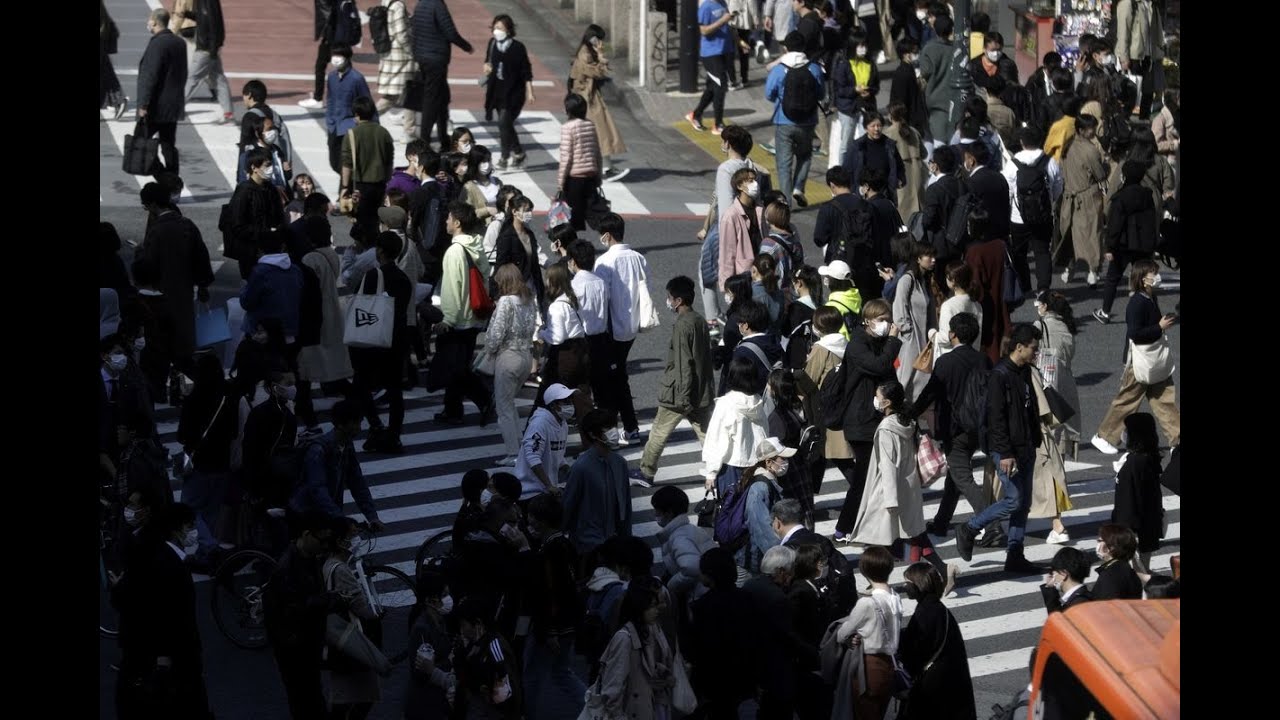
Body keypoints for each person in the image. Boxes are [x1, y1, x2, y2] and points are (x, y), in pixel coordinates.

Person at [954, 323, 1045, 574]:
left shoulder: (1024, 371)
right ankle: (970, 528)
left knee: (1023, 503)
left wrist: (1034, 438)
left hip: (1025, 446)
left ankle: (1015, 554)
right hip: (1007, 450)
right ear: (1019, 347)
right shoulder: (1000, 376)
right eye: (1033, 349)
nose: (1036, 353)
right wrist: (1005, 453)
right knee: (1014, 500)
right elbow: (996, 418)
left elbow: (1028, 408)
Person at [852, 380, 955, 588]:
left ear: (887, 402)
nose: (876, 400)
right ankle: (943, 569)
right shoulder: (906, 421)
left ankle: (877, 582)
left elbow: (888, 466)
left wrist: (890, 499)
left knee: (879, 536)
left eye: (878, 397)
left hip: (888, 490)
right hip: (908, 485)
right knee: (912, 534)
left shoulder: (886, 429)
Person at [112, 503, 210, 719]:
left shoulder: (153, 553)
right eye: (190, 526)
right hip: (174, 657)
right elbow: (170, 615)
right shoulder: (168, 563)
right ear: (178, 527)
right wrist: (164, 656)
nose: (193, 532)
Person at [1091, 258, 1180, 454]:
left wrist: (1163, 324)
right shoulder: (1136, 303)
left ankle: (1177, 440)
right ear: (1142, 278)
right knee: (1127, 400)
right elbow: (1135, 333)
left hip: (1154, 359)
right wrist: (1159, 327)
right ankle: (1104, 436)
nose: (1157, 277)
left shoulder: (1150, 298)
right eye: (1153, 273)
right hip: (1140, 360)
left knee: (1164, 400)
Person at [832, 299, 902, 544]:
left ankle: (867, 525)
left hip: (875, 418)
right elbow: (880, 366)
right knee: (863, 477)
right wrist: (893, 341)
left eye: (888, 319)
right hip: (860, 421)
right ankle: (844, 527)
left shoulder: (877, 342)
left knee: (877, 476)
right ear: (868, 320)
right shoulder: (858, 345)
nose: (887, 324)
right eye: (882, 320)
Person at [635, 276, 716, 484]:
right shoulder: (699, 320)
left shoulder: (682, 326)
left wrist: (682, 398)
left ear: (678, 300)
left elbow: (683, 365)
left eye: (670, 298)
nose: (668, 301)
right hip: (700, 391)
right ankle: (718, 468)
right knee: (707, 434)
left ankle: (646, 471)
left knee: (659, 432)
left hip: (679, 393)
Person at [263, 510, 336, 718]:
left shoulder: (308, 557)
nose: (325, 546)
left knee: (311, 695)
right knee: (303, 699)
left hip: (305, 644)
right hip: (295, 649)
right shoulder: (287, 569)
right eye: (322, 540)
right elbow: (296, 608)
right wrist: (329, 600)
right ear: (306, 534)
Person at [520, 494, 584, 720]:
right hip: (567, 623)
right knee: (561, 672)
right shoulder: (564, 544)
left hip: (551, 627)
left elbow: (549, 593)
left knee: (532, 675)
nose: (528, 520)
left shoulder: (549, 551)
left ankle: (527, 714)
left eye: (531, 516)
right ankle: (593, 709)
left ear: (542, 521)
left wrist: (550, 630)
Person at [350, 232, 413, 452]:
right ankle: (394, 433)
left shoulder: (373, 276)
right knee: (395, 390)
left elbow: (362, 304)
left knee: (361, 383)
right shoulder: (403, 278)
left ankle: (376, 425)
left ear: (380, 251)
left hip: (372, 339)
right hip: (395, 340)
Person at [432, 202, 494, 425]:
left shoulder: (454, 251)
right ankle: (453, 409)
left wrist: (447, 319)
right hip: (475, 316)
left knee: (456, 368)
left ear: (457, 223)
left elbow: (452, 288)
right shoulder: (476, 247)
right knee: (459, 364)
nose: (446, 221)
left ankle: (485, 399)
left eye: (448, 218)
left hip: (458, 319)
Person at [137, 183, 213, 364]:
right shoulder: (187, 225)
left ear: (153, 205)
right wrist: (203, 285)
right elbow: (201, 258)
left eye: (145, 206)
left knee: (162, 343)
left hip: (160, 295)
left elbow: (147, 268)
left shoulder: (156, 230)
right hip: (185, 293)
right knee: (184, 339)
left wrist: (139, 253)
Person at [594, 214, 652, 444]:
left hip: (610, 329)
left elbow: (601, 297)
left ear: (607, 235)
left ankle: (615, 430)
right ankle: (630, 428)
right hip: (632, 327)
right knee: (619, 378)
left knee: (609, 382)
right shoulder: (638, 258)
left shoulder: (604, 262)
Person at [176, 354, 238, 564]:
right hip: (222, 461)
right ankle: (206, 551)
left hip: (199, 462)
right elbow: (234, 431)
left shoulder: (194, 398)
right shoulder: (228, 396)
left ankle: (209, 546)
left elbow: (182, 434)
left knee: (190, 507)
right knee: (212, 510)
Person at [321, 517, 383, 718]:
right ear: (340, 541)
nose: (357, 539)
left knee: (344, 697)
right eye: (353, 535)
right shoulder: (341, 571)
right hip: (351, 642)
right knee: (362, 696)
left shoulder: (328, 564)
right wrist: (375, 614)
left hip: (337, 639)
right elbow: (361, 608)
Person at [898, 562, 976, 719]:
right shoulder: (937, 608)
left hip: (932, 690)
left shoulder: (926, 613)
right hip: (948, 687)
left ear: (919, 585)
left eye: (908, 582)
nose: (904, 586)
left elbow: (915, 650)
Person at [292, 400, 385, 532]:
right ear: (341, 424)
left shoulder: (346, 445)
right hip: (308, 514)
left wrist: (372, 517)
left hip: (328, 513)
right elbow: (318, 489)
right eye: (355, 423)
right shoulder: (318, 450)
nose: (359, 428)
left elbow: (357, 482)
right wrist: (339, 519)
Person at [834, 546, 901, 720]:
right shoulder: (895, 597)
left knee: (864, 713)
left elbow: (842, 634)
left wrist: (852, 636)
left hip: (869, 667)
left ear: (864, 571)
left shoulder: (866, 604)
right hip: (890, 665)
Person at [482, 264, 538, 465]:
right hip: (525, 356)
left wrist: (489, 350)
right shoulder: (528, 300)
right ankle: (521, 445)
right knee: (510, 403)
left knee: (504, 407)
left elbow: (496, 333)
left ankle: (514, 453)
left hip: (508, 356)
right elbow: (533, 327)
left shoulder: (506, 302)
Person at [599, 577, 676, 720]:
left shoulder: (644, 633)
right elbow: (613, 686)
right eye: (651, 606)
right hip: (630, 711)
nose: (657, 610)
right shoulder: (624, 638)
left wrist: (663, 672)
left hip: (644, 707)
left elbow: (643, 668)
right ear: (639, 608)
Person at [563, 408, 632, 565]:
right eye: (607, 429)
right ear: (593, 434)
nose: (614, 432)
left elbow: (626, 504)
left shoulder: (619, 463)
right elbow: (568, 505)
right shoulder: (581, 467)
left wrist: (627, 538)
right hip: (588, 546)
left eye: (614, 426)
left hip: (614, 542)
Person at [765, 31, 825, 207]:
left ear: (786, 48)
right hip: (808, 121)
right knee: (805, 155)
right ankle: (799, 187)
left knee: (784, 163)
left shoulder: (779, 69)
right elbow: (821, 94)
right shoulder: (813, 68)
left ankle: (786, 202)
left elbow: (769, 94)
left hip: (784, 121)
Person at [1095, 160, 1159, 324]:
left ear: (1124, 176)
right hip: (1143, 245)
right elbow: (1152, 221)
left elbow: (1114, 225)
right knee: (1145, 279)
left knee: (1112, 279)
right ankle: (1154, 313)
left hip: (1122, 245)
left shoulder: (1120, 197)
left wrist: (1109, 246)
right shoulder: (1147, 195)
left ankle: (1105, 311)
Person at [741, 544, 799, 717]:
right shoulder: (779, 598)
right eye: (791, 570)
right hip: (774, 666)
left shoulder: (749, 585)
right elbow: (786, 636)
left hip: (752, 659)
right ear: (781, 571)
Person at [1005, 126, 1063, 295]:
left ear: (1022, 142)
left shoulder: (1013, 162)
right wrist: (1049, 203)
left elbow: (1008, 190)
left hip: (1018, 217)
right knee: (1042, 251)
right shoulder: (1050, 161)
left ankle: (1024, 285)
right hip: (1043, 215)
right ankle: (1043, 288)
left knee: (1019, 253)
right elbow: (1058, 186)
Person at [702, 356, 771, 498]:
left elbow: (716, 440)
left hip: (732, 468)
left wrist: (711, 473)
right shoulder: (758, 402)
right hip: (758, 466)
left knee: (731, 512)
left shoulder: (726, 404)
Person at [411, 0, 475, 150]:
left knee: (442, 97)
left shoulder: (421, 4)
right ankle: (425, 140)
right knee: (432, 100)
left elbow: (415, 30)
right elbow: (450, 32)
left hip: (423, 57)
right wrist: (466, 46)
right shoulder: (437, 5)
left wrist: (417, 54)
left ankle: (443, 138)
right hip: (436, 59)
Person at [570, 25, 627, 179]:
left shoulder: (588, 51)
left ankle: (605, 167)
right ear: (593, 38)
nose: (600, 42)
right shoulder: (585, 53)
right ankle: (604, 169)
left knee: (599, 133)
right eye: (599, 39)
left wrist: (600, 57)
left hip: (590, 96)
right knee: (600, 132)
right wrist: (601, 59)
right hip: (586, 98)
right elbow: (595, 72)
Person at [1111, 413, 1165, 574]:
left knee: (1138, 574)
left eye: (1127, 430)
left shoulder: (1135, 463)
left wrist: (1126, 530)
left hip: (1134, 529)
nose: (1123, 433)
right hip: (1146, 527)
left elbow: (1129, 499)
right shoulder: (1149, 458)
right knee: (1142, 570)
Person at [452, 595, 523, 718]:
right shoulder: (475, 644)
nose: (461, 631)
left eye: (464, 625)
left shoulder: (494, 648)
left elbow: (505, 693)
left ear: (478, 623)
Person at [136, 9, 187, 177]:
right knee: (168, 144)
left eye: (150, 20)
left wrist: (143, 103)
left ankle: (165, 179)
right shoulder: (179, 43)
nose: (148, 23)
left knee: (139, 142)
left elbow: (150, 76)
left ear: (155, 22)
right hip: (173, 105)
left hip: (156, 106)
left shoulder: (157, 44)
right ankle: (173, 180)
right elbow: (183, 73)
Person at [1058, 114, 1107, 286]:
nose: (1093, 130)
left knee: (1070, 236)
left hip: (1069, 196)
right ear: (1081, 130)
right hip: (1088, 197)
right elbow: (1100, 174)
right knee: (1092, 235)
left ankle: (1069, 269)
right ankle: (1092, 271)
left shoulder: (1066, 146)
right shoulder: (1091, 150)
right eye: (1090, 128)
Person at [537, 263, 591, 418]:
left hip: (565, 355)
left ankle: (538, 431)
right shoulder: (572, 299)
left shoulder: (556, 307)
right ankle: (594, 436)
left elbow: (557, 337)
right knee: (583, 398)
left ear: (553, 282)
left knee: (547, 395)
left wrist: (542, 333)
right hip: (581, 350)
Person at [1034, 292, 1081, 465]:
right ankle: (1060, 469)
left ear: (1046, 306)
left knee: (1046, 428)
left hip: (1046, 380)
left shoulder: (1039, 325)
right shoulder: (1067, 326)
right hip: (1065, 379)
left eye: (1039, 304)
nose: (1038, 307)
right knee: (1062, 427)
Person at [483, 14, 535, 172]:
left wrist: (530, 92)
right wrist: (486, 67)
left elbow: (526, 71)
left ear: (508, 30)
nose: (496, 31)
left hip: (514, 93)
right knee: (505, 125)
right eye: (495, 27)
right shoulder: (492, 43)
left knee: (503, 123)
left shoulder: (518, 48)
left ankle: (504, 157)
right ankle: (518, 153)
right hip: (497, 91)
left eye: (500, 28)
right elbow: (487, 60)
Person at [403, 571, 456, 720]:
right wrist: (450, 660)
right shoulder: (422, 629)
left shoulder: (439, 620)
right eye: (444, 594)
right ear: (431, 600)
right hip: (426, 704)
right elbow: (420, 671)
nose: (448, 598)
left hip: (436, 699)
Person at [962, 209, 1011, 364]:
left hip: (984, 305)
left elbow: (976, 285)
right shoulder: (1000, 245)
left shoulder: (974, 251)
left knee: (986, 345)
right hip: (1002, 298)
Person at [171, 0, 232, 123]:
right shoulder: (206, 2)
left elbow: (213, 22)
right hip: (210, 47)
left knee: (192, 79)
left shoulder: (207, 2)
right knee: (219, 79)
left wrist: (213, 49)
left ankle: (175, 111)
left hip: (206, 48)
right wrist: (189, 14)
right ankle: (228, 113)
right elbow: (205, 18)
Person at [892, 240, 939, 399]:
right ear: (918, 258)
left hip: (924, 340)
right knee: (905, 379)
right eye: (929, 256)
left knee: (920, 381)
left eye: (934, 256)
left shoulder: (924, 280)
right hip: (910, 340)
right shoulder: (907, 280)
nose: (933, 260)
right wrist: (908, 332)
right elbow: (899, 308)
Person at [341, 95, 395, 231]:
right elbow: (389, 161)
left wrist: (344, 186)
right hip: (380, 185)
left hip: (360, 185)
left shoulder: (352, 134)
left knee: (361, 221)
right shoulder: (383, 133)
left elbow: (347, 164)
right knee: (377, 219)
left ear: (357, 115)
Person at [517, 384, 576, 500]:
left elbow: (557, 453)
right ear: (553, 405)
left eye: (570, 400)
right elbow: (533, 457)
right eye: (565, 401)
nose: (570, 404)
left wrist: (567, 469)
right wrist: (549, 486)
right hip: (530, 491)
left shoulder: (562, 424)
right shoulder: (539, 424)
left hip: (547, 489)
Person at [323, 44, 375, 178]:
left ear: (347, 58)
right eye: (334, 55)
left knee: (346, 166)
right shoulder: (332, 77)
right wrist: (329, 120)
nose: (335, 59)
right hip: (334, 127)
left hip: (350, 128)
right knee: (334, 163)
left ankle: (346, 193)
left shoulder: (357, 79)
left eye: (339, 56)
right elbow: (330, 99)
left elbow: (367, 103)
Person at [831, 28, 880, 165]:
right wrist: (854, 90)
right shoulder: (844, 64)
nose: (863, 49)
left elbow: (876, 85)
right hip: (848, 108)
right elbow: (840, 89)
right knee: (846, 143)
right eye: (860, 46)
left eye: (865, 45)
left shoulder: (870, 64)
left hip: (867, 107)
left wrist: (869, 91)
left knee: (869, 140)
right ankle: (843, 170)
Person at [557, 93, 603, 232]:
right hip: (590, 176)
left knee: (570, 216)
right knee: (594, 212)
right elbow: (597, 152)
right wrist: (598, 176)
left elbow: (566, 157)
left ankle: (573, 248)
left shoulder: (568, 128)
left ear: (568, 110)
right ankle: (610, 236)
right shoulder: (590, 125)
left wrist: (560, 182)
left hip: (574, 179)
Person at [918, 15, 964, 153]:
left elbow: (925, 73)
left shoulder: (929, 49)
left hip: (934, 103)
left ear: (935, 29)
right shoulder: (957, 49)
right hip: (954, 102)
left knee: (937, 147)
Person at [687, 0, 733, 135]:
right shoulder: (706, 7)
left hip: (724, 51)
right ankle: (718, 123)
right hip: (711, 53)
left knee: (712, 87)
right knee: (720, 86)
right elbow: (704, 30)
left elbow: (728, 27)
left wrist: (738, 41)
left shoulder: (723, 4)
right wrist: (722, 20)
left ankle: (695, 115)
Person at [843, 112, 906, 208]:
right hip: (864, 195)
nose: (876, 129)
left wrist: (900, 179)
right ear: (865, 127)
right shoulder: (857, 146)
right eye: (873, 126)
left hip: (885, 193)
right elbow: (847, 171)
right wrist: (857, 190)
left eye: (879, 126)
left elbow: (900, 166)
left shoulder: (889, 145)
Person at [375, 0, 418, 137]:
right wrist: (411, 51)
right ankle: (409, 132)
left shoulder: (386, 3)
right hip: (402, 58)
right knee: (406, 94)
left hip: (390, 56)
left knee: (400, 94)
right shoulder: (398, 6)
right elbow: (401, 34)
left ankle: (365, 120)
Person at [718, 167, 765, 290]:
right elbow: (727, 254)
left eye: (755, 180)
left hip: (763, 273)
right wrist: (726, 285)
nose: (755, 184)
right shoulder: (731, 215)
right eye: (750, 181)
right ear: (739, 186)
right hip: (744, 276)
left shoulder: (761, 210)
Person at [1115, 0, 1163, 117]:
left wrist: (1159, 53)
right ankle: (1125, 123)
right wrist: (1124, 57)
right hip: (1133, 57)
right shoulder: (1128, 3)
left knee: (1147, 93)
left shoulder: (1152, 4)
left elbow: (1156, 33)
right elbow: (1123, 31)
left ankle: (1143, 123)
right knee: (1130, 94)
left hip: (1149, 56)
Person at [959, 139, 1011, 241]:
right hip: (1002, 232)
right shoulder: (1000, 177)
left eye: (966, 159)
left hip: (982, 236)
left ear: (971, 160)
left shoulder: (971, 182)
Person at [885, 102, 928, 219]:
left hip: (900, 174)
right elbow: (924, 153)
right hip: (918, 172)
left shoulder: (888, 133)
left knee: (903, 213)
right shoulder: (914, 131)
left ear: (890, 116)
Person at [1040, 547, 1094, 613]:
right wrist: (1050, 589)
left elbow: (1058, 621)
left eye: (1052, 572)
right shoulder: (1082, 597)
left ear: (1063, 574)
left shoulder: (1077, 604)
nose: (1051, 577)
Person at [968, 31, 1017, 95]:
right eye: (992, 50)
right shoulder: (974, 65)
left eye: (999, 50)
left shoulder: (1008, 64)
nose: (996, 53)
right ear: (984, 48)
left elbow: (1009, 84)